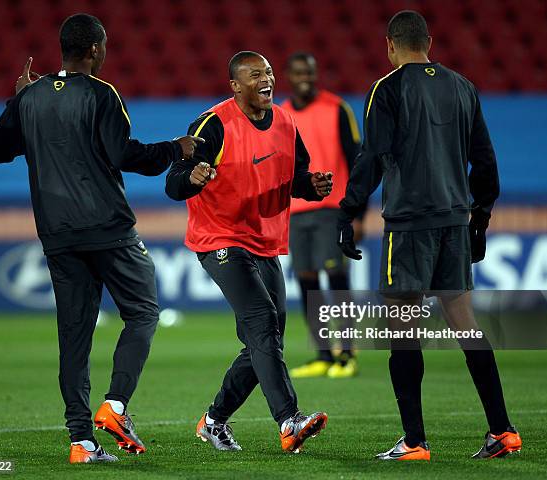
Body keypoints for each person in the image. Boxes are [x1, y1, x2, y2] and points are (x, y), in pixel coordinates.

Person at [0, 13, 203, 464]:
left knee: (74, 337)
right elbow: (126, 155)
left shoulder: (31, 99)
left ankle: (81, 441)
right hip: (108, 229)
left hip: (57, 235)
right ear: (96, 50)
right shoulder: (103, 95)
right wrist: (174, 149)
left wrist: (17, 100)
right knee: (143, 312)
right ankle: (115, 405)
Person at [337, 10, 521, 461]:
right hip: (456, 222)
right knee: (466, 325)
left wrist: (348, 212)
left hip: (410, 224)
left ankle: (415, 442)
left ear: (390, 45)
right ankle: (503, 431)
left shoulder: (389, 87)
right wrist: (480, 218)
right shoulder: (463, 86)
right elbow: (485, 160)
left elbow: (373, 156)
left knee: (403, 330)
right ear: (429, 42)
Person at [165, 51, 330, 453]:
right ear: (236, 86)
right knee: (261, 322)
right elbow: (174, 183)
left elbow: (297, 178)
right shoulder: (213, 125)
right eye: (255, 74)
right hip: (219, 238)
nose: (266, 79)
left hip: (264, 241)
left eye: (269, 72)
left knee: (265, 338)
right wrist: (193, 176)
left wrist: (314, 186)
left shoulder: (287, 123)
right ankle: (289, 420)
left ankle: (214, 420)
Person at [282, 52, 363, 379]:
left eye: (311, 72)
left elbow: (357, 161)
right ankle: (322, 353)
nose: (306, 78)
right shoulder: (281, 114)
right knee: (306, 280)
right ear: (288, 75)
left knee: (337, 278)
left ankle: (346, 353)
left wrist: (358, 212)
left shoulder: (338, 108)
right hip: (296, 211)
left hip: (333, 209)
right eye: (300, 72)